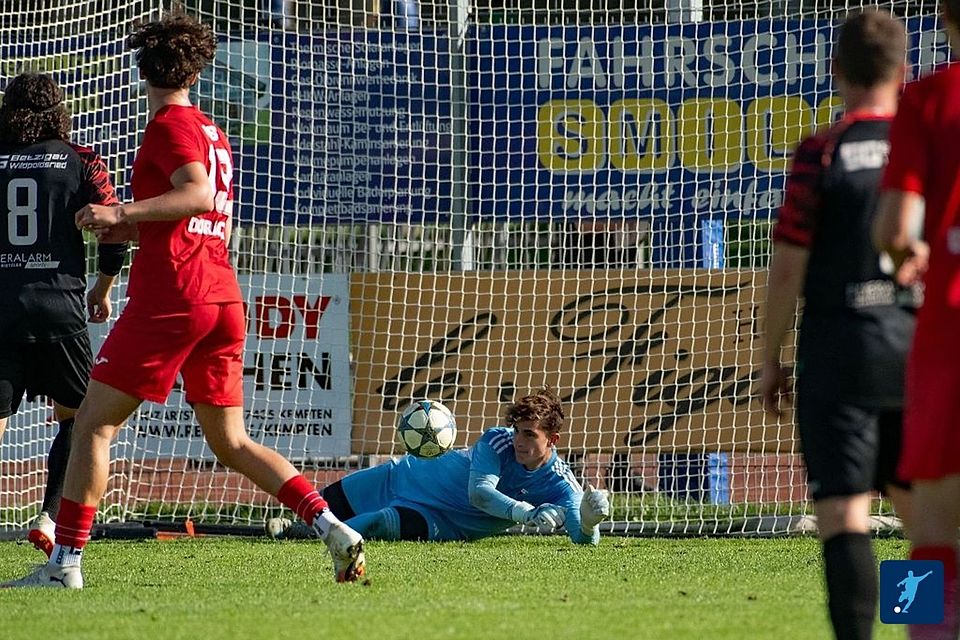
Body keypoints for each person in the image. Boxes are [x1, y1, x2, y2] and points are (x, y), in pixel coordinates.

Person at [2, 12, 363, 589]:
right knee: (231, 441)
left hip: (174, 294)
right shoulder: (212, 130)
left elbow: (194, 195)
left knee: (92, 424)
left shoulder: (168, 127)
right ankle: (332, 528)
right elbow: (199, 214)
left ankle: (64, 564)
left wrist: (120, 212)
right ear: (196, 70)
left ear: (141, 67)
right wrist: (132, 230)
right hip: (220, 294)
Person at [759, 11, 914, 640]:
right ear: (904, 72)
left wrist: (770, 357)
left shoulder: (820, 153)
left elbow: (787, 269)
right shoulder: (923, 146)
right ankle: (919, 629)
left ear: (836, 72)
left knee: (844, 516)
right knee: (919, 517)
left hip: (837, 351)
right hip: (915, 348)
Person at [0, 73, 127, 558]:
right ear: (59, 111)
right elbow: (115, 228)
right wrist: (103, 287)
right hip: (60, 307)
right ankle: (51, 517)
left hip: (2, 309)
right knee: (80, 416)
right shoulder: (81, 160)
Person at [874, 1, 960, 637]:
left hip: (947, 328)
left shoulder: (928, 99)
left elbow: (897, 229)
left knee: (928, 523)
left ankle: (919, 632)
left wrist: (910, 251)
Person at [267, 390, 610, 544]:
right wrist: (525, 513)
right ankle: (301, 527)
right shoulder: (497, 440)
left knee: (377, 522)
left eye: (529, 434)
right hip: (401, 474)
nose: (519, 440)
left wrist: (591, 521)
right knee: (323, 501)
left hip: (440, 520)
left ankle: (305, 538)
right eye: (518, 430)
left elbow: (582, 538)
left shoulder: (562, 484)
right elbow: (481, 493)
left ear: (554, 440)